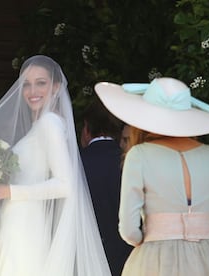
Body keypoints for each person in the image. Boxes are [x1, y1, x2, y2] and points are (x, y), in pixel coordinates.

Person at [0, 55, 111, 276]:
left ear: (55, 88)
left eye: (41, 83)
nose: (32, 90)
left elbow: (65, 185)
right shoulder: (38, 126)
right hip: (17, 221)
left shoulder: (50, 124)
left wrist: (6, 191)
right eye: (26, 84)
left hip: (27, 225)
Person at [94, 77, 209, 276]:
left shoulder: (139, 155)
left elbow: (129, 230)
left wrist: (157, 237)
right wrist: (205, 240)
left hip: (155, 260)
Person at [80, 100, 133, 276]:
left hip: (86, 254)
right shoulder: (130, 161)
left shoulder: (76, 163)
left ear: (86, 128)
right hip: (127, 257)